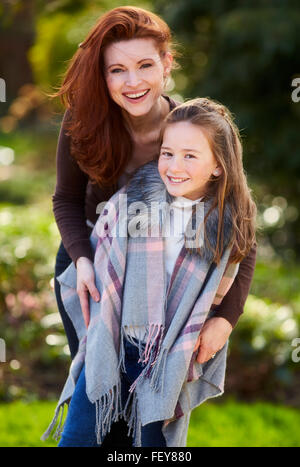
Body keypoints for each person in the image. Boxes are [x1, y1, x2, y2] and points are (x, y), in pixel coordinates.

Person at [51, 6, 256, 446]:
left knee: (144, 425)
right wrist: (83, 262)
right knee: (101, 399)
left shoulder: (193, 131)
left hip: (169, 286)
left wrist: (225, 319)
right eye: (117, 70)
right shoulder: (84, 121)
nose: (132, 82)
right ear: (103, 76)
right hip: (95, 272)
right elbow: (65, 200)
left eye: (145, 65)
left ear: (167, 64)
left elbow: (241, 228)